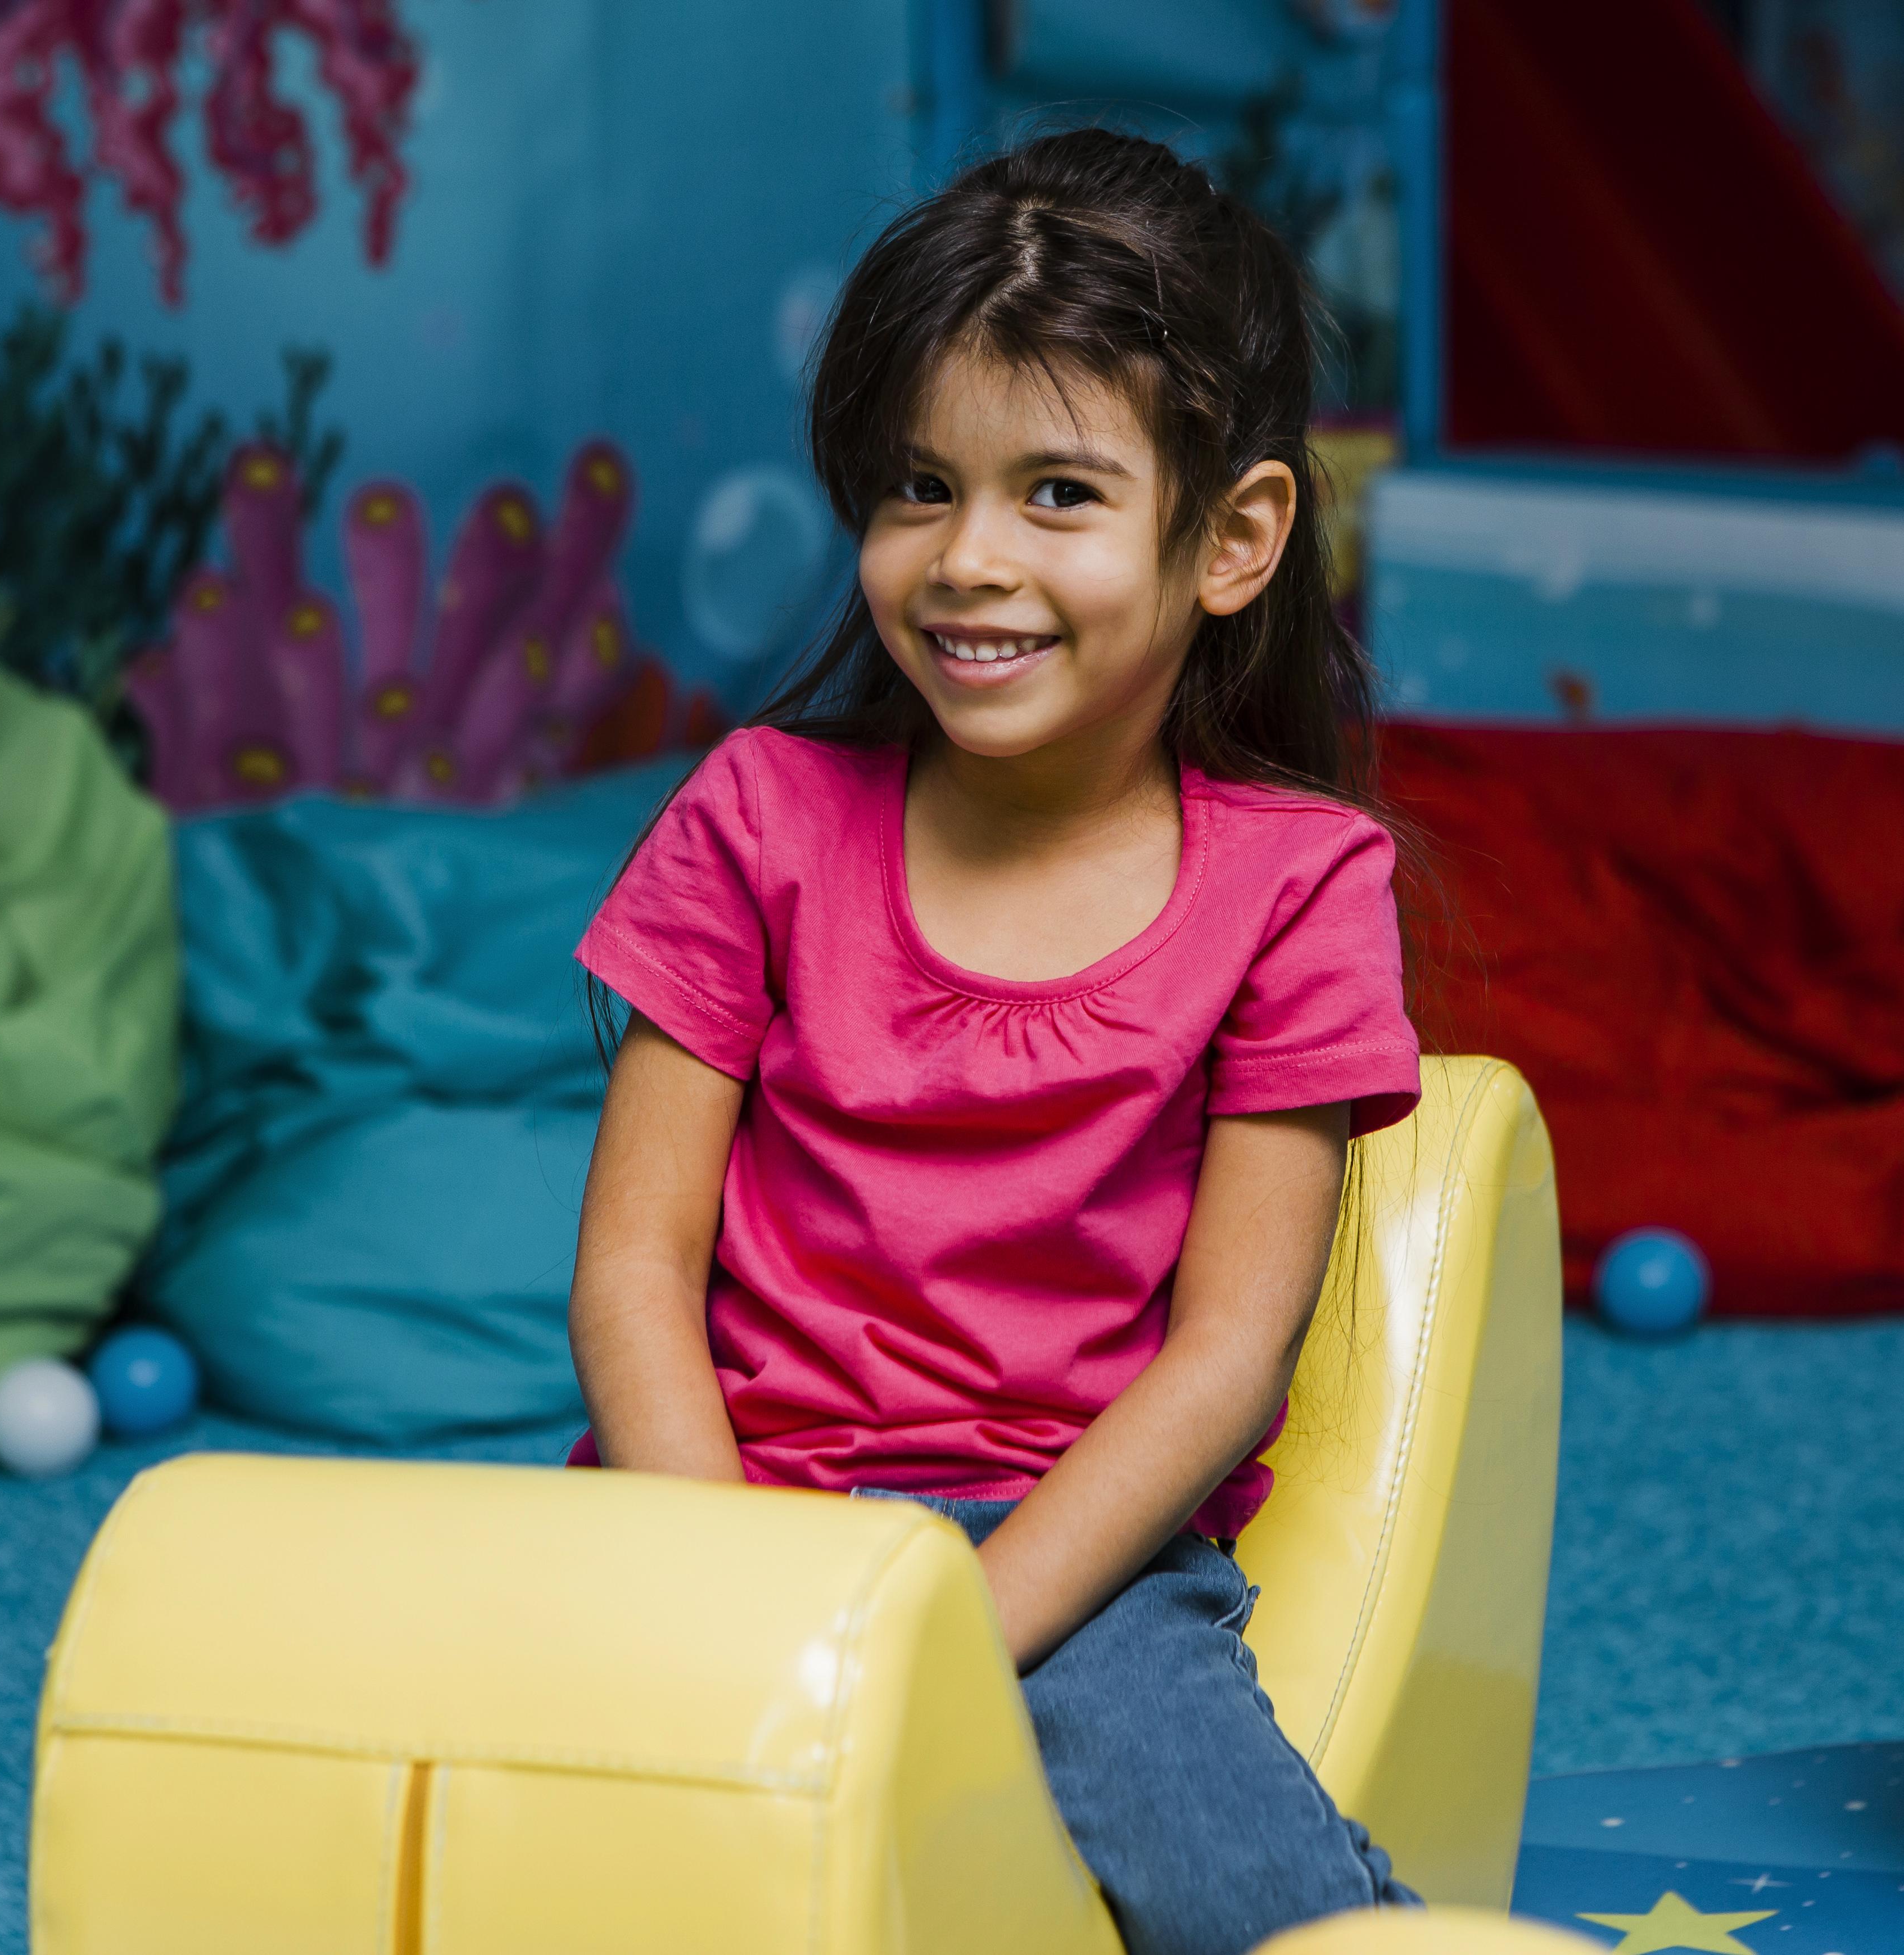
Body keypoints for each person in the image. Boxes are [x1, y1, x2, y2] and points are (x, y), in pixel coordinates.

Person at [566, 128, 1422, 1955]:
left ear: (1236, 539)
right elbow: (637, 1263)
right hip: (735, 1507)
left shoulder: (1299, 886)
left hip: (1075, 1548)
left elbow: (1226, 1360)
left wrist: (955, 1631)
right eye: (914, 488)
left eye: (1056, 494)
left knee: (1242, 1894)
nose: (967, 561)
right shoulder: (758, 815)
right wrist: (732, 1594)